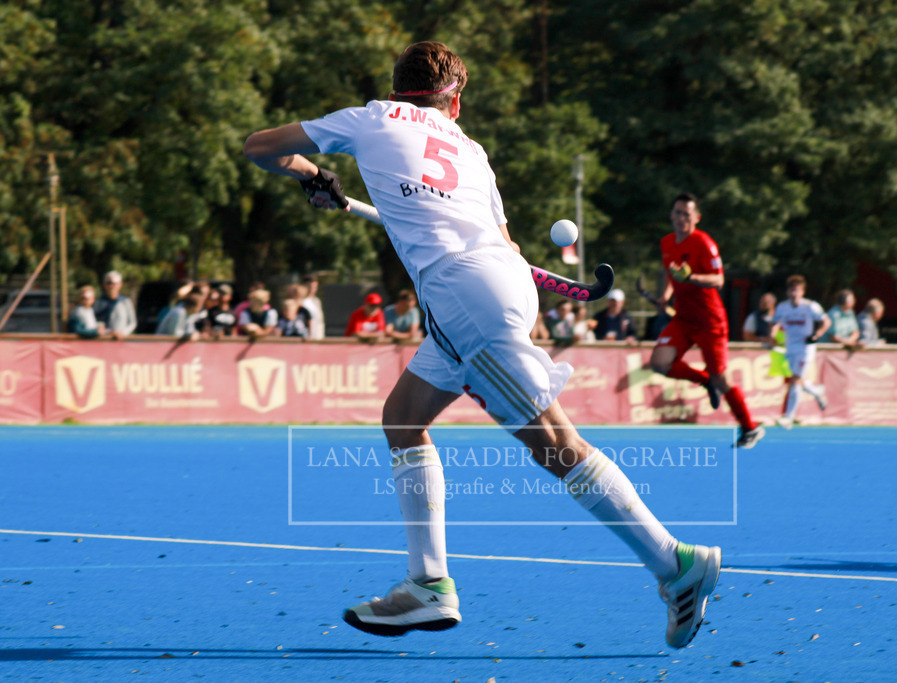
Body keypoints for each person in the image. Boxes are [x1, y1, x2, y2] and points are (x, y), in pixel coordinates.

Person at [244, 40, 719, 649]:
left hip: (460, 293)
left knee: (554, 443)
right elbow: (509, 246)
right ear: (455, 103)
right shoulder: (472, 151)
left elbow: (261, 148)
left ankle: (673, 563)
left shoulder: (369, 118)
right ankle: (427, 585)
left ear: (397, 89)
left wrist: (314, 173)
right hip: (495, 285)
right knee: (404, 419)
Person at [649, 192, 764, 448]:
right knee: (659, 363)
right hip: (683, 318)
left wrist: (691, 279)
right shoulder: (667, 243)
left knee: (721, 378)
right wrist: (666, 296)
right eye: (677, 212)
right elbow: (672, 276)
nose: (680, 218)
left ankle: (749, 428)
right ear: (671, 214)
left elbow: (718, 280)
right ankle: (704, 381)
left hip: (710, 321)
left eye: (686, 214)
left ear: (696, 218)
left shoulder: (704, 243)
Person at [770, 275, 830, 428]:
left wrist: (816, 335)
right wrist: (772, 336)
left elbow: (826, 321)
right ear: (787, 292)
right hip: (790, 348)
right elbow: (775, 323)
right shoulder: (782, 307)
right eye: (791, 290)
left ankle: (788, 417)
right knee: (797, 379)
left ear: (802, 292)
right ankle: (817, 391)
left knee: (795, 379)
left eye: (796, 290)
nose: (794, 293)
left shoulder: (810, 306)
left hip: (806, 348)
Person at [93, 270, 137, 340]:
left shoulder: (125, 302)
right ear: (105, 284)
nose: (111, 286)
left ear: (120, 285)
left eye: (114, 283)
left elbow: (132, 323)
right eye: (109, 283)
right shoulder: (99, 302)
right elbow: (94, 321)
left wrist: (123, 333)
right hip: (104, 340)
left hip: (122, 341)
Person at [302, 274, 326, 339]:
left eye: (315, 287)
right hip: (306, 338)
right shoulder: (301, 301)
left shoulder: (317, 301)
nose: (313, 289)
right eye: (310, 287)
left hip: (318, 336)